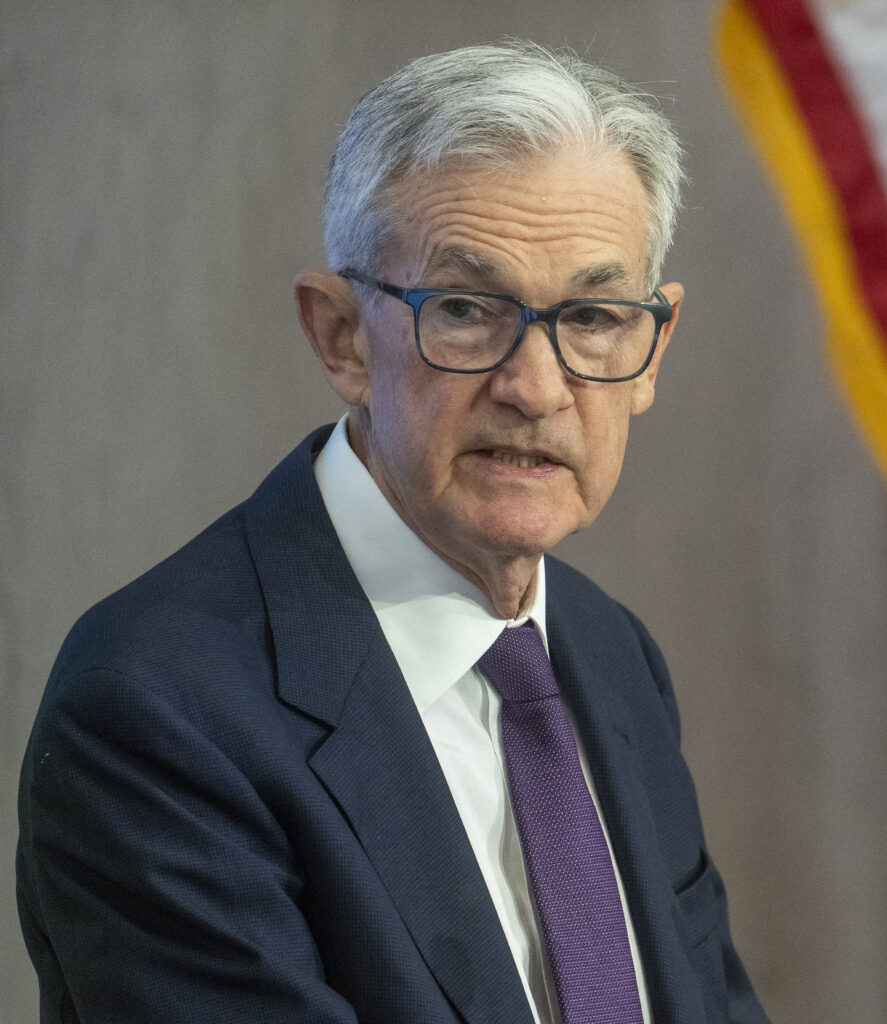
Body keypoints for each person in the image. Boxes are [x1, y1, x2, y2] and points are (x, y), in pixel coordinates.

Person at [17, 41, 770, 1024]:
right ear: (340, 337)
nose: (537, 387)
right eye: (465, 309)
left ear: (652, 347)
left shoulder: (611, 652)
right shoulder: (156, 711)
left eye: (591, 316)